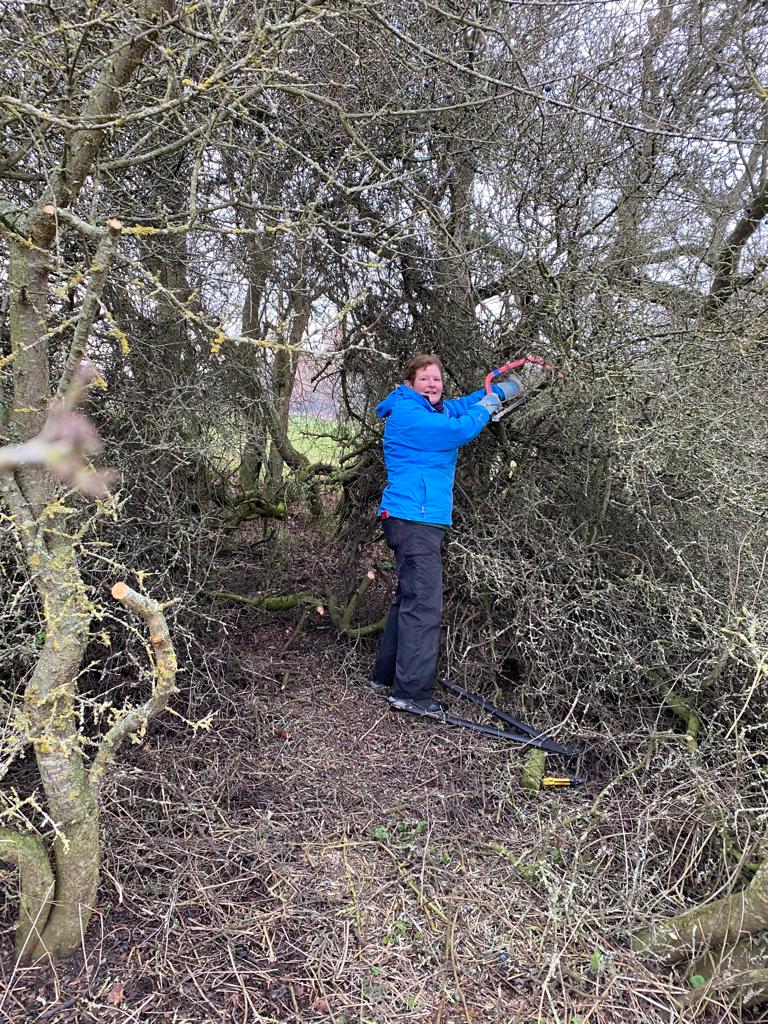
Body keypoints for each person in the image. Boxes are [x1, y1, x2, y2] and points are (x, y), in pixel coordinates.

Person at [370, 353, 520, 714]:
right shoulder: (410, 414)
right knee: (424, 606)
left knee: (409, 598)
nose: (432, 385)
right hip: (414, 519)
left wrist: (507, 388)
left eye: (436, 379)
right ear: (409, 384)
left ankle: (386, 676)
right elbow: (457, 430)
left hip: (416, 518)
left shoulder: (432, 408)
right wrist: (485, 409)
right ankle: (411, 694)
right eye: (424, 379)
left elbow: (463, 406)